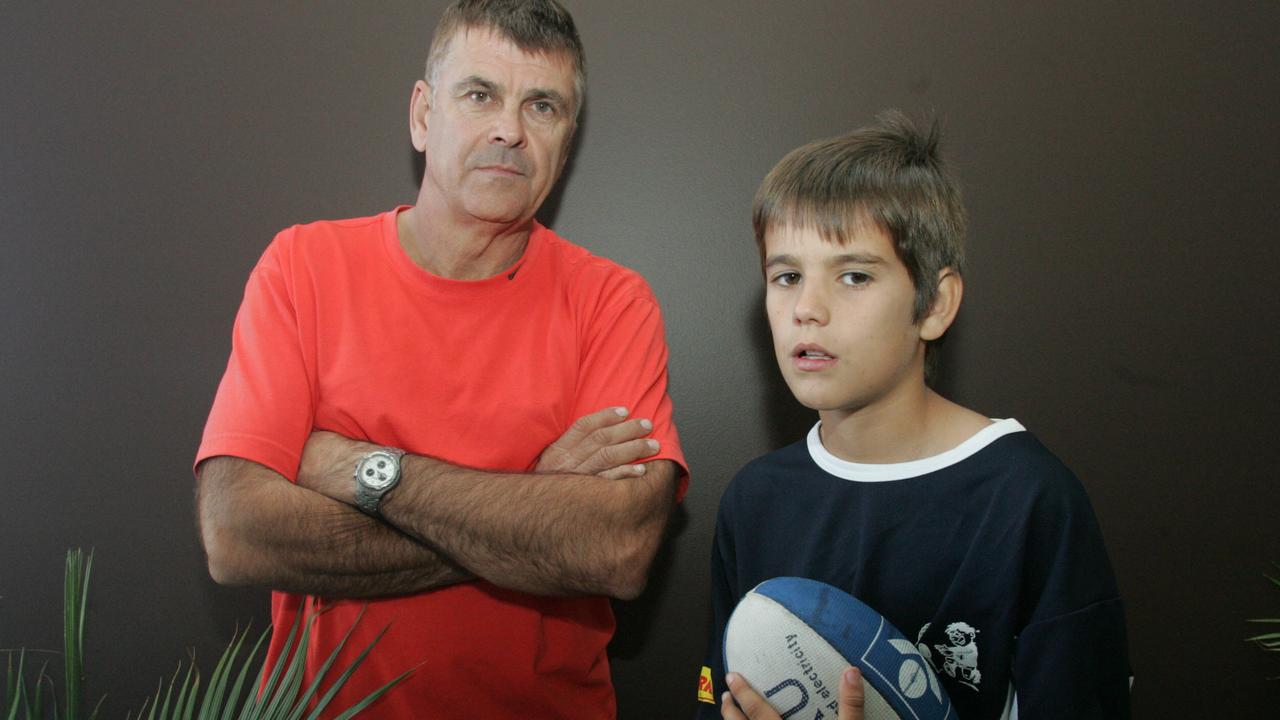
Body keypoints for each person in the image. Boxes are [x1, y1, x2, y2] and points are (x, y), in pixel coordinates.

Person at [194, 1, 686, 718]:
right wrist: (533, 502)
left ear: (567, 140)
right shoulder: (304, 266)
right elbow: (236, 534)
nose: (509, 130)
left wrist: (359, 470)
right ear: (423, 115)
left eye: (541, 106)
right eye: (480, 94)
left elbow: (616, 547)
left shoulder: (612, 301)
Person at [697, 112, 1130, 719]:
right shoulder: (755, 500)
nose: (807, 308)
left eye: (853, 275)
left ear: (934, 304)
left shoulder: (1027, 501)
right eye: (787, 275)